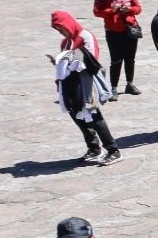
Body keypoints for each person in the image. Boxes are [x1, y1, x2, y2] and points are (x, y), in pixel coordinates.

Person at [50, 10, 121, 165]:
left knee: (94, 117)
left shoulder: (85, 36)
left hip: (86, 84)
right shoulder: (66, 42)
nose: (61, 32)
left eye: (62, 28)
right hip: (71, 86)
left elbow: (91, 58)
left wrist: (68, 58)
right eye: (58, 30)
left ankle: (113, 150)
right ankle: (94, 148)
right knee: (77, 116)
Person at [93, 0, 143, 96]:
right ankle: (114, 88)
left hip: (130, 29)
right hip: (113, 32)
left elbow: (138, 8)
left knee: (130, 59)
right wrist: (111, 10)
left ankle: (129, 84)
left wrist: (129, 9)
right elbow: (97, 11)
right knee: (116, 60)